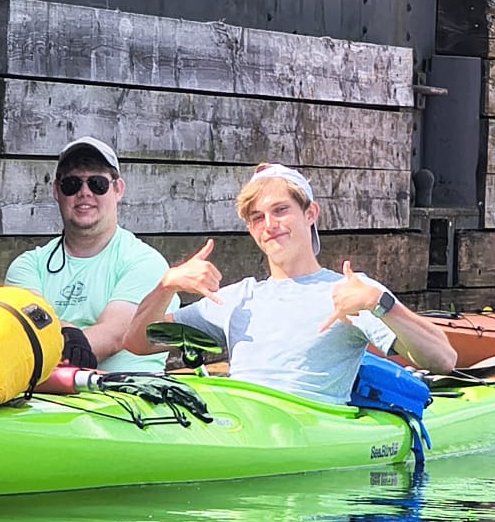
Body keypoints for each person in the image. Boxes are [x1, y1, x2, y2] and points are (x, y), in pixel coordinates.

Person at [122, 163, 456, 405]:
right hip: (241, 424)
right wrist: (167, 285)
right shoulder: (236, 298)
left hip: (310, 434)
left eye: (280, 210)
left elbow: (443, 360)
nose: (269, 225)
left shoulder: (350, 292)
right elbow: (136, 342)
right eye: (257, 218)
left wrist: (382, 304)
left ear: (310, 213)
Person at [4, 137, 169, 373]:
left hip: (127, 398)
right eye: (71, 184)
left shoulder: (145, 263)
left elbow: (114, 336)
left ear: (118, 189)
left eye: (97, 183)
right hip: (44, 399)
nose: (84, 193)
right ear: (56, 191)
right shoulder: (27, 266)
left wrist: (63, 334)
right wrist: (67, 331)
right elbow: (28, 325)